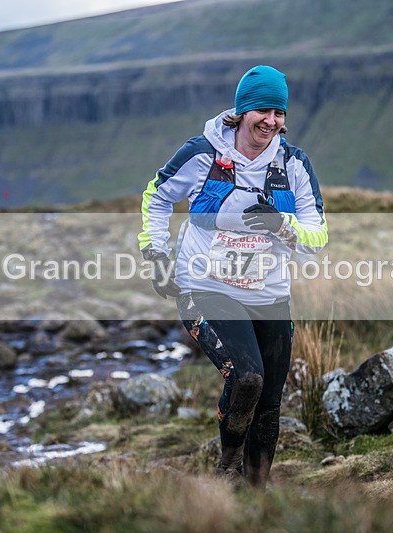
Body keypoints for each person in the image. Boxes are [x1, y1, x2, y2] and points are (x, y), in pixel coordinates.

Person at [137, 65, 328, 488]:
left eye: (279, 112)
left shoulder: (294, 164)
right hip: (204, 285)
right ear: (242, 111)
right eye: (262, 110)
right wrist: (156, 254)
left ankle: (257, 492)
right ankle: (227, 469)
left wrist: (281, 225)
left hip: (269, 292)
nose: (271, 121)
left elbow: (317, 236)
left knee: (271, 402)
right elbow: (156, 197)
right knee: (247, 378)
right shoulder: (203, 153)